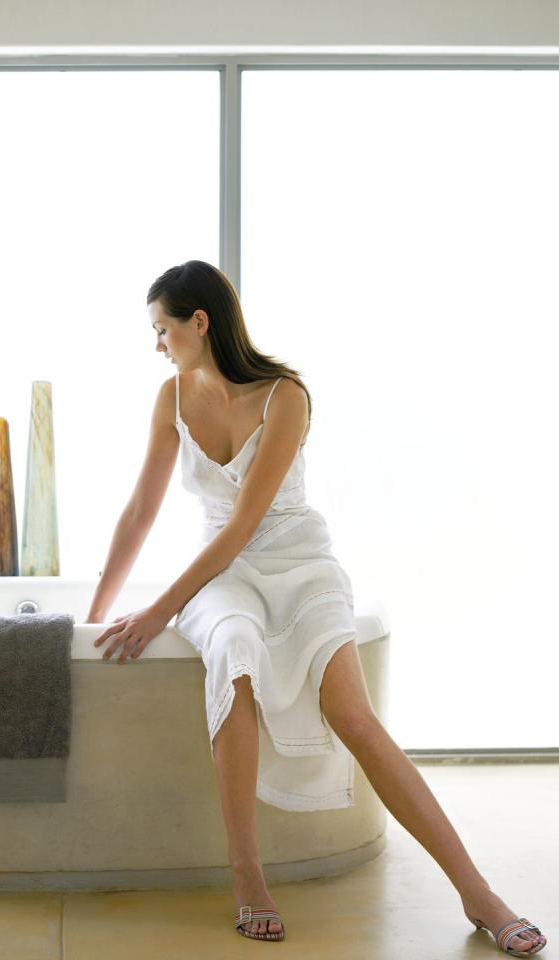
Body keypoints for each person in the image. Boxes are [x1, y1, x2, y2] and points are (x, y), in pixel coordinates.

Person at [84, 260, 547, 955]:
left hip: (299, 566)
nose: (158, 345)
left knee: (354, 715)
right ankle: (249, 880)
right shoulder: (169, 398)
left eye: (162, 329)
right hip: (223, 578)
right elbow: (141, 511)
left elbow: (247, 525)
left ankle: (478, 893)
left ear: (198, 322)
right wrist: (96, 615)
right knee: (235, 654)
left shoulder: (285, 396)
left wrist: (157, 613)